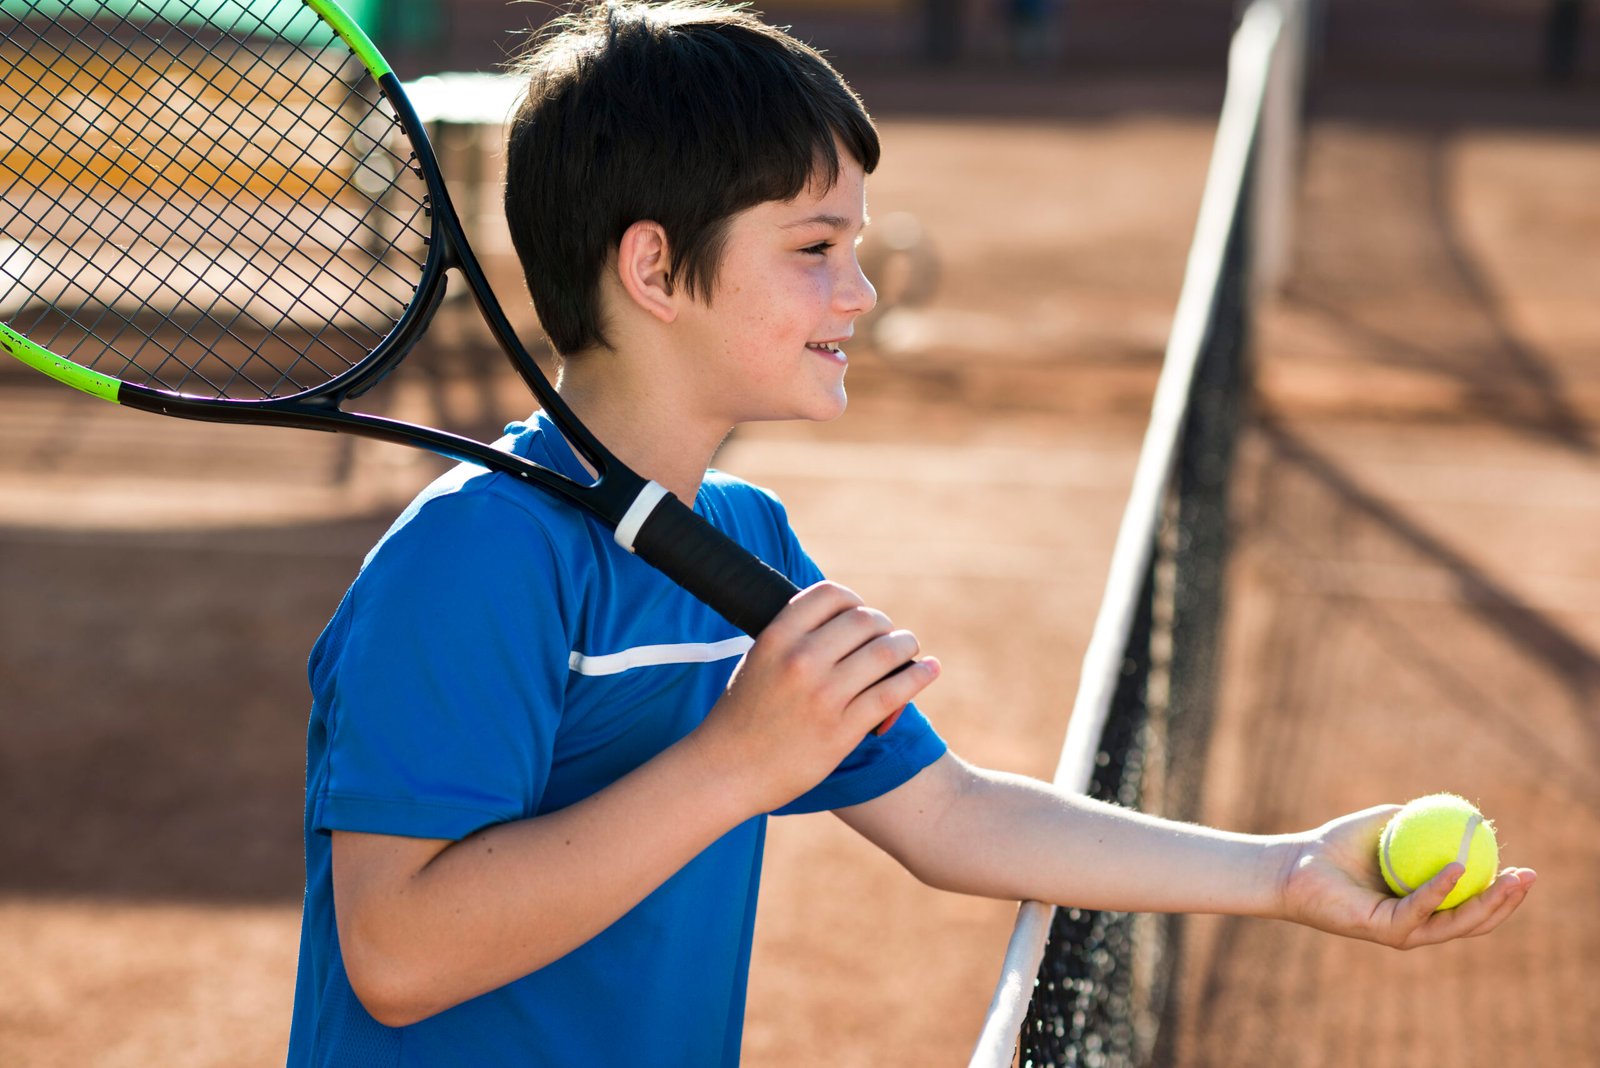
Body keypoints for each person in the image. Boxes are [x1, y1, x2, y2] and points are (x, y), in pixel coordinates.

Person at [286, 3, 1537, 1064]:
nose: (861, 292)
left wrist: (1285, 869)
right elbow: (398, 954)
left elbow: (950, 816)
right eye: (815, 248)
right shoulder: (472, 560)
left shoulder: (746, 540)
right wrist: (738, 761)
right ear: (654, 270)